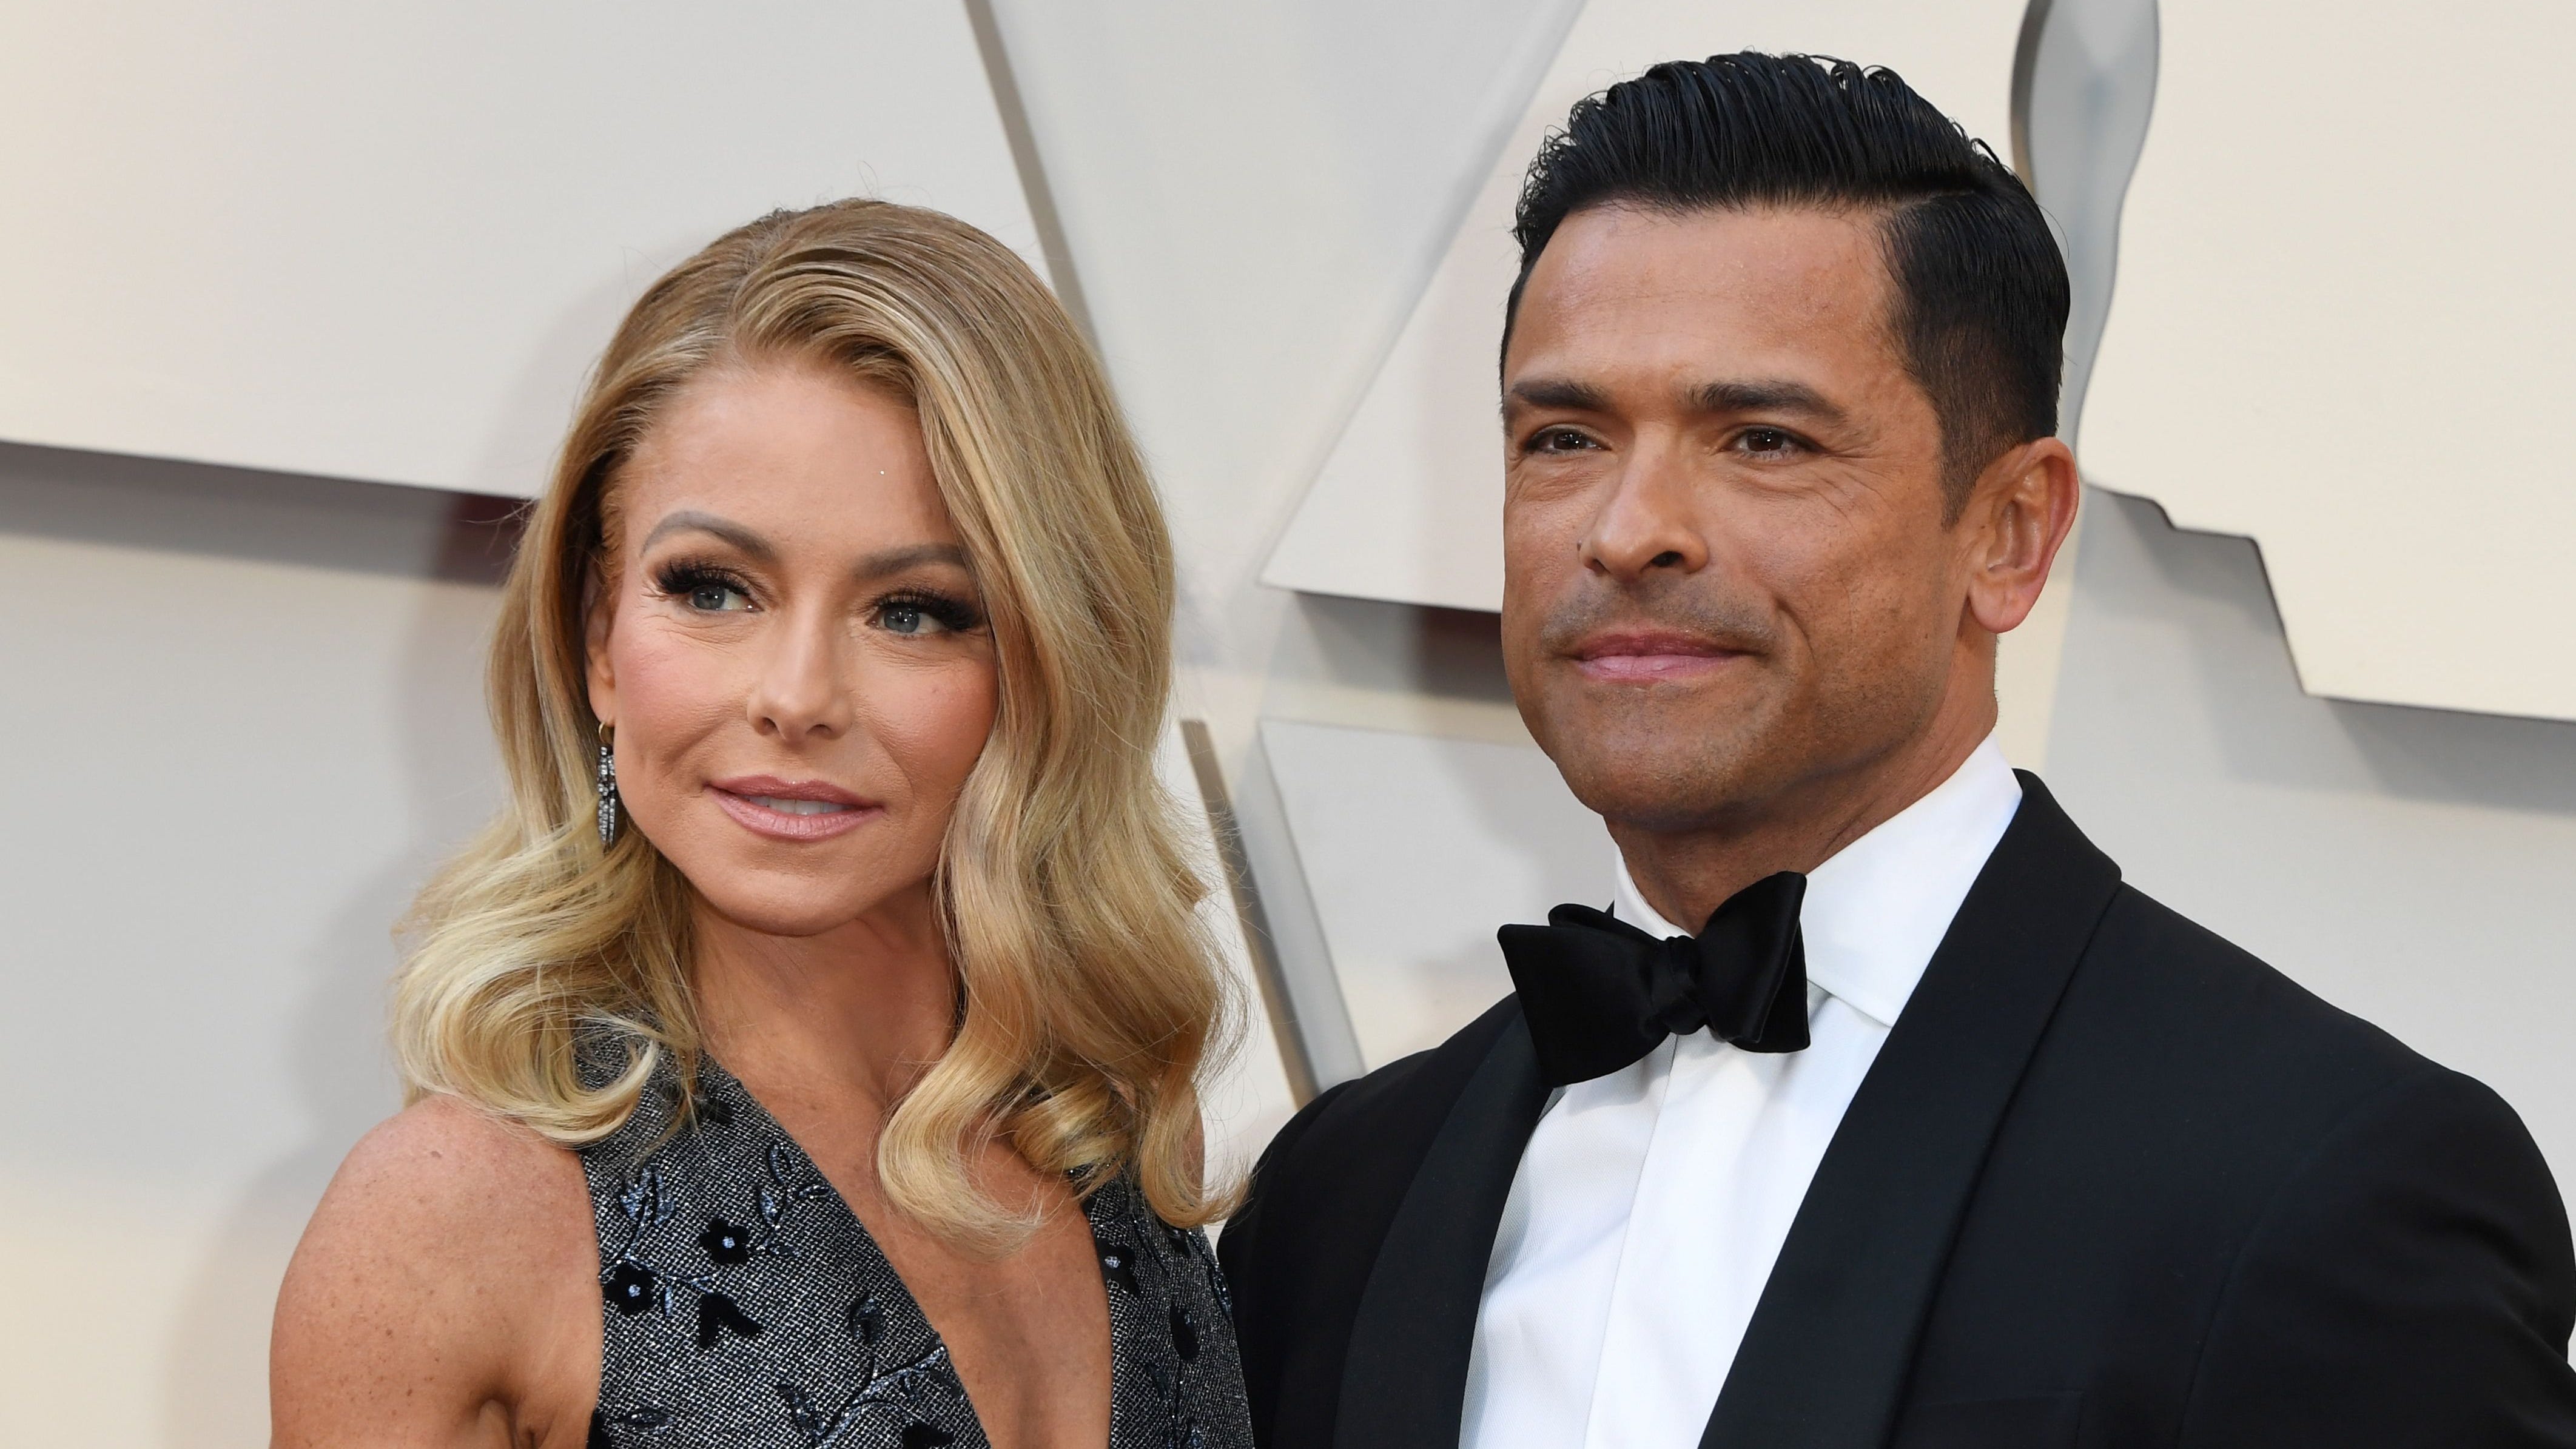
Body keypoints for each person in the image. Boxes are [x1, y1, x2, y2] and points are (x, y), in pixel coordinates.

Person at [1218, 53, 2576, 1448]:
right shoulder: (1338, 1203)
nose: (1628, 530)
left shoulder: (2322, 1182)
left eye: (1762, 439)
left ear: (2009, 533)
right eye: (1564, 435)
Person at [272, 199, 1253, 1449]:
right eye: (713, 588)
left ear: (1047, 662)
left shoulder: (1112, 1152)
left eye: (914, 609)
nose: (796, 697)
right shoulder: (460, 1212)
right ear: (596, 639)